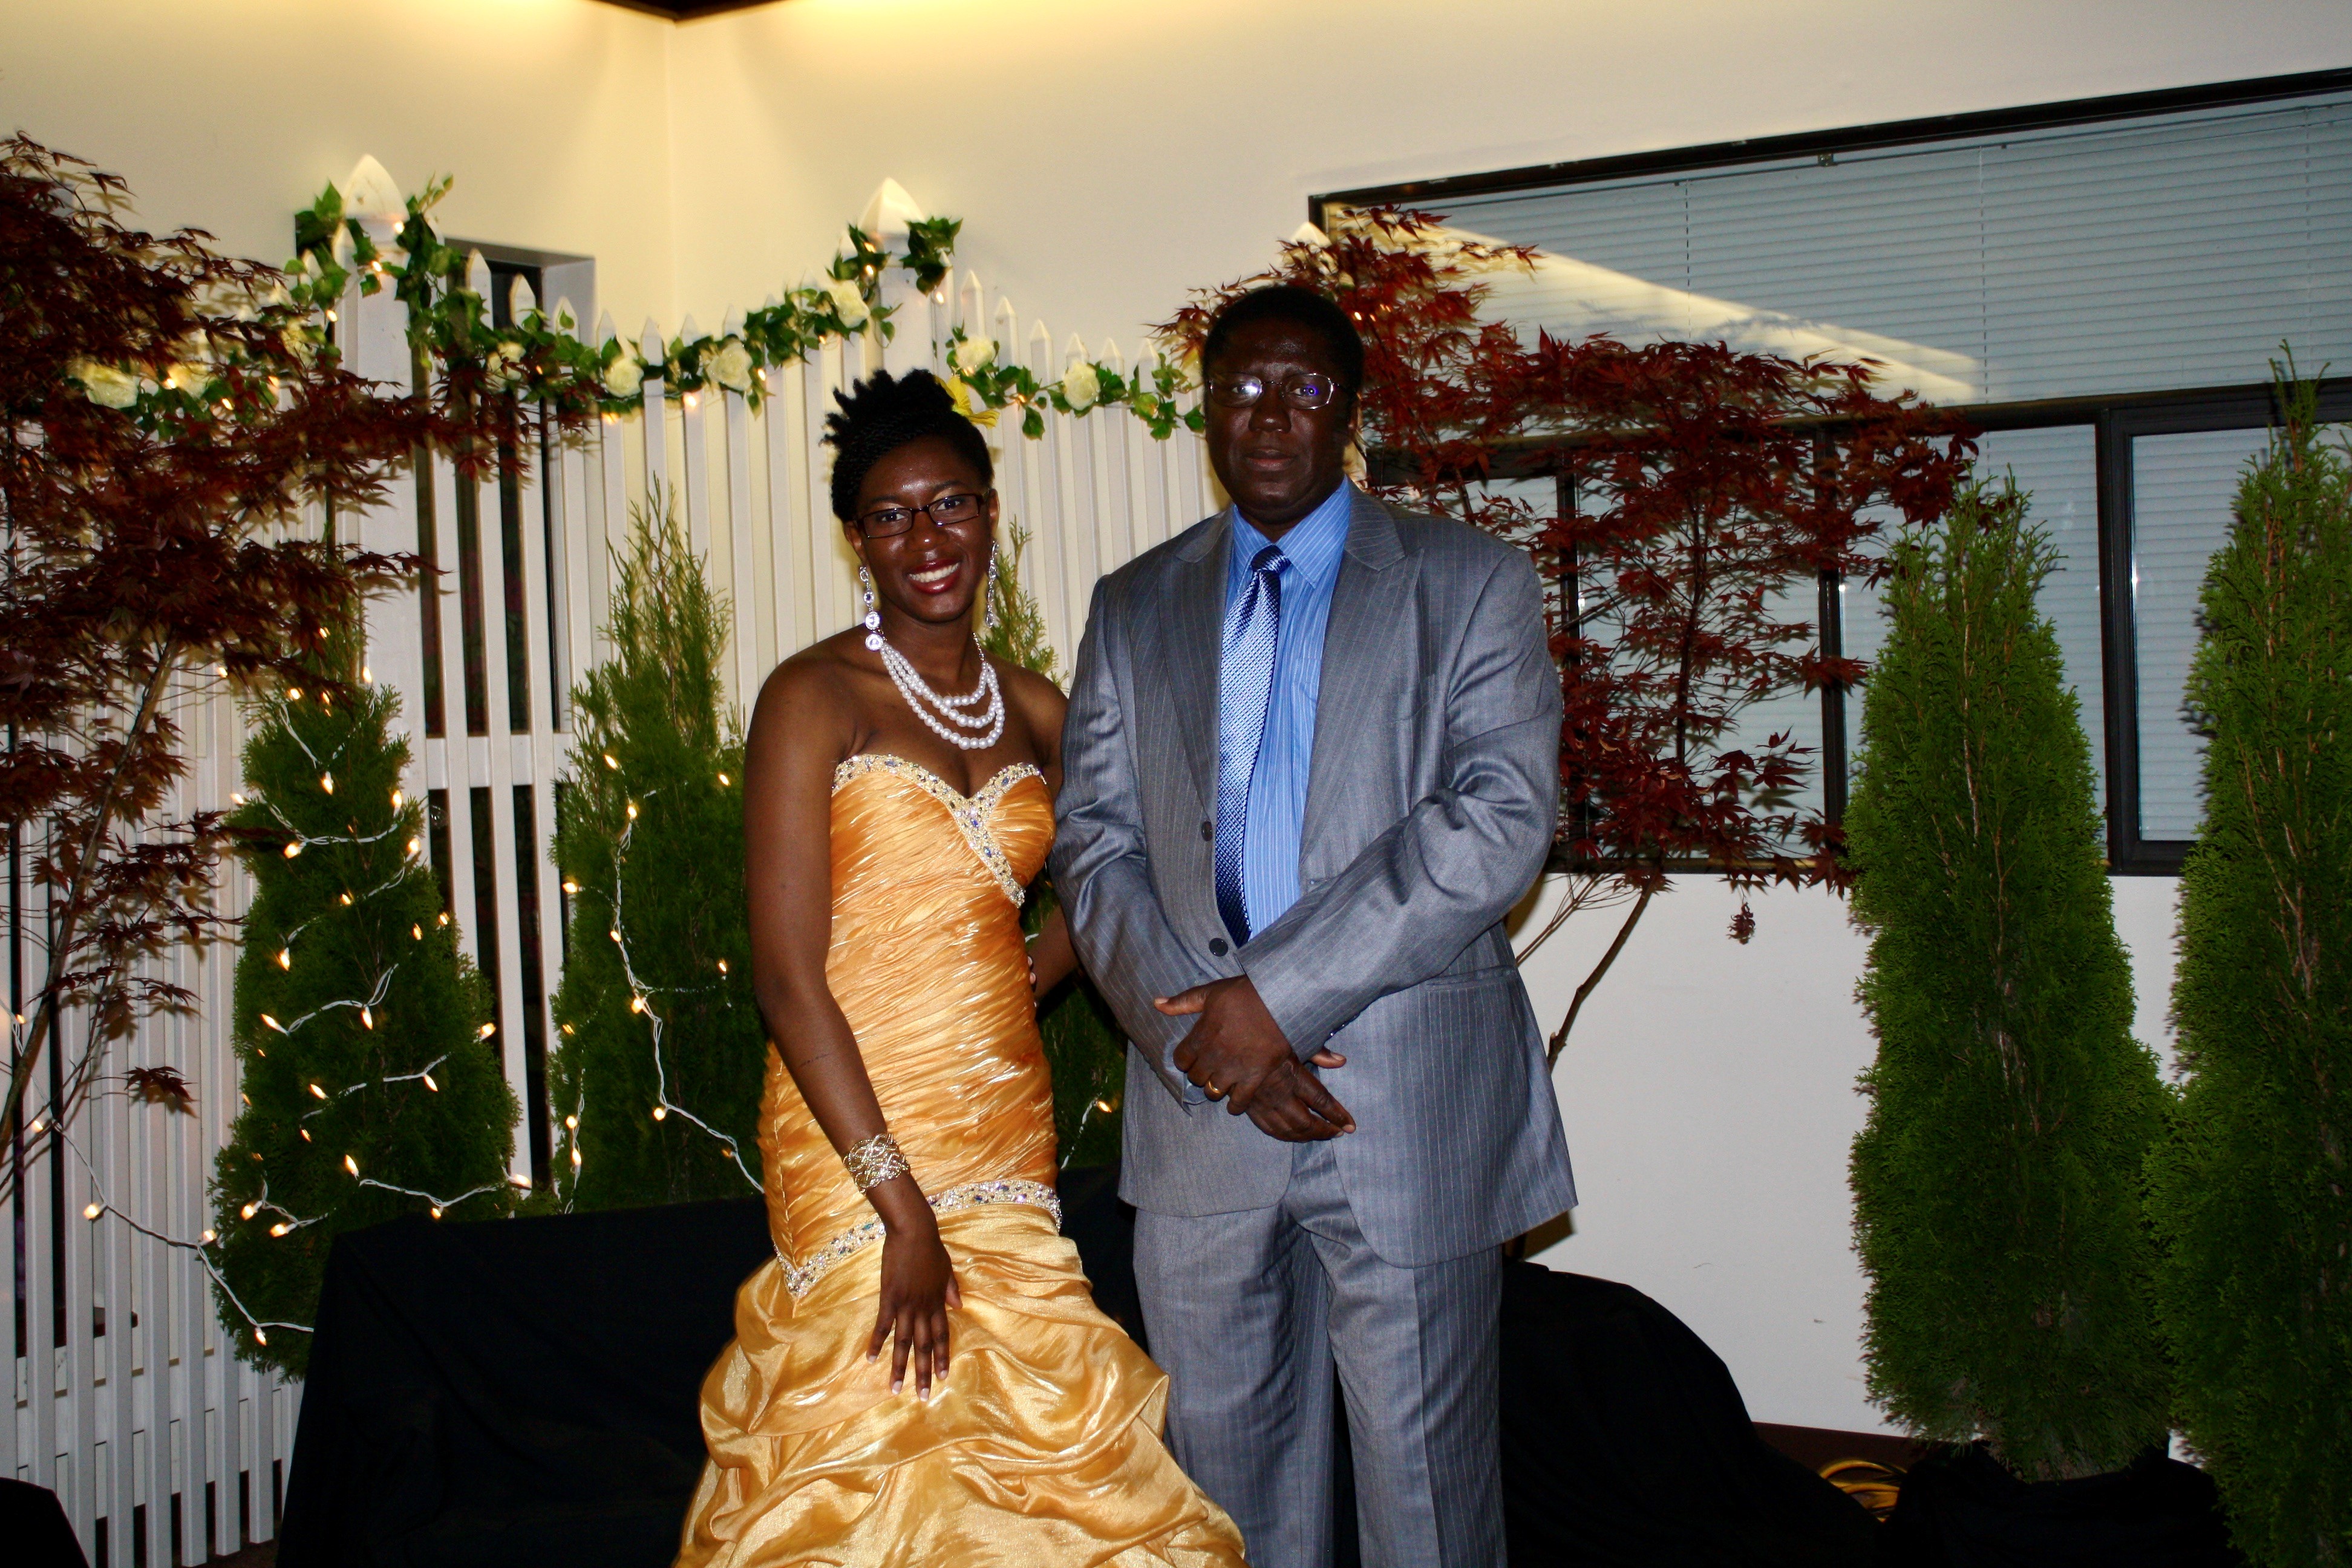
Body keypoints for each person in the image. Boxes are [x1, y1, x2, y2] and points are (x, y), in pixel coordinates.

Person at [679, 370, 1246, 1567]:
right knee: (881, 1424)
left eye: (949, 506)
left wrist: (1014, 976)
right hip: (853, 1131)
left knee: (1028, 1437)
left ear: (992, 515)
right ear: (856, 541)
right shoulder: (810, 699)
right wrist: (901, 1209)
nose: (925, 538)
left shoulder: (1041, 708)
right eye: (891, 516)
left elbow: (1122, 885)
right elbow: (786, 980)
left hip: (1001, 1121)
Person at [1051, 285, 1576, 1568]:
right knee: (1228, 1505)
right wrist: (1204, 1039)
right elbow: (1094, 842)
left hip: (1403, 1107)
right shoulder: (1135, 605)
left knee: (1429, 1506)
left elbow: (1502, 819)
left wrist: (1271, 1001)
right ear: (1206, 410)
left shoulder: (1470, 585)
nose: (1268, 416)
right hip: (1202, 1119)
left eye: (1302, 389)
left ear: (1350, 411)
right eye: (1240, 389)